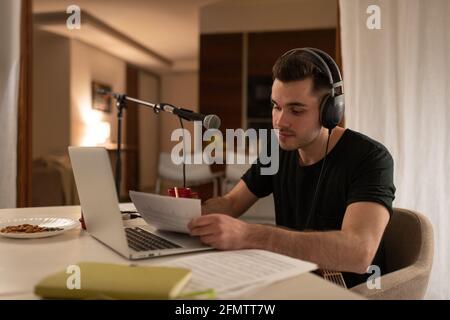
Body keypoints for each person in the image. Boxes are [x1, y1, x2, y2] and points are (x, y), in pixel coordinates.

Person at [187, 48, 396, 288]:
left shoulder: (370, 158)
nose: (280, 121)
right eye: (276, 106)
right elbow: (232, 203)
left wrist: (250, 235)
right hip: (293, 281)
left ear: (330, 112)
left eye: (296, 110)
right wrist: (186, 214)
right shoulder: (276, 151)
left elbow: (359, 253)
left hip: (353, 291)